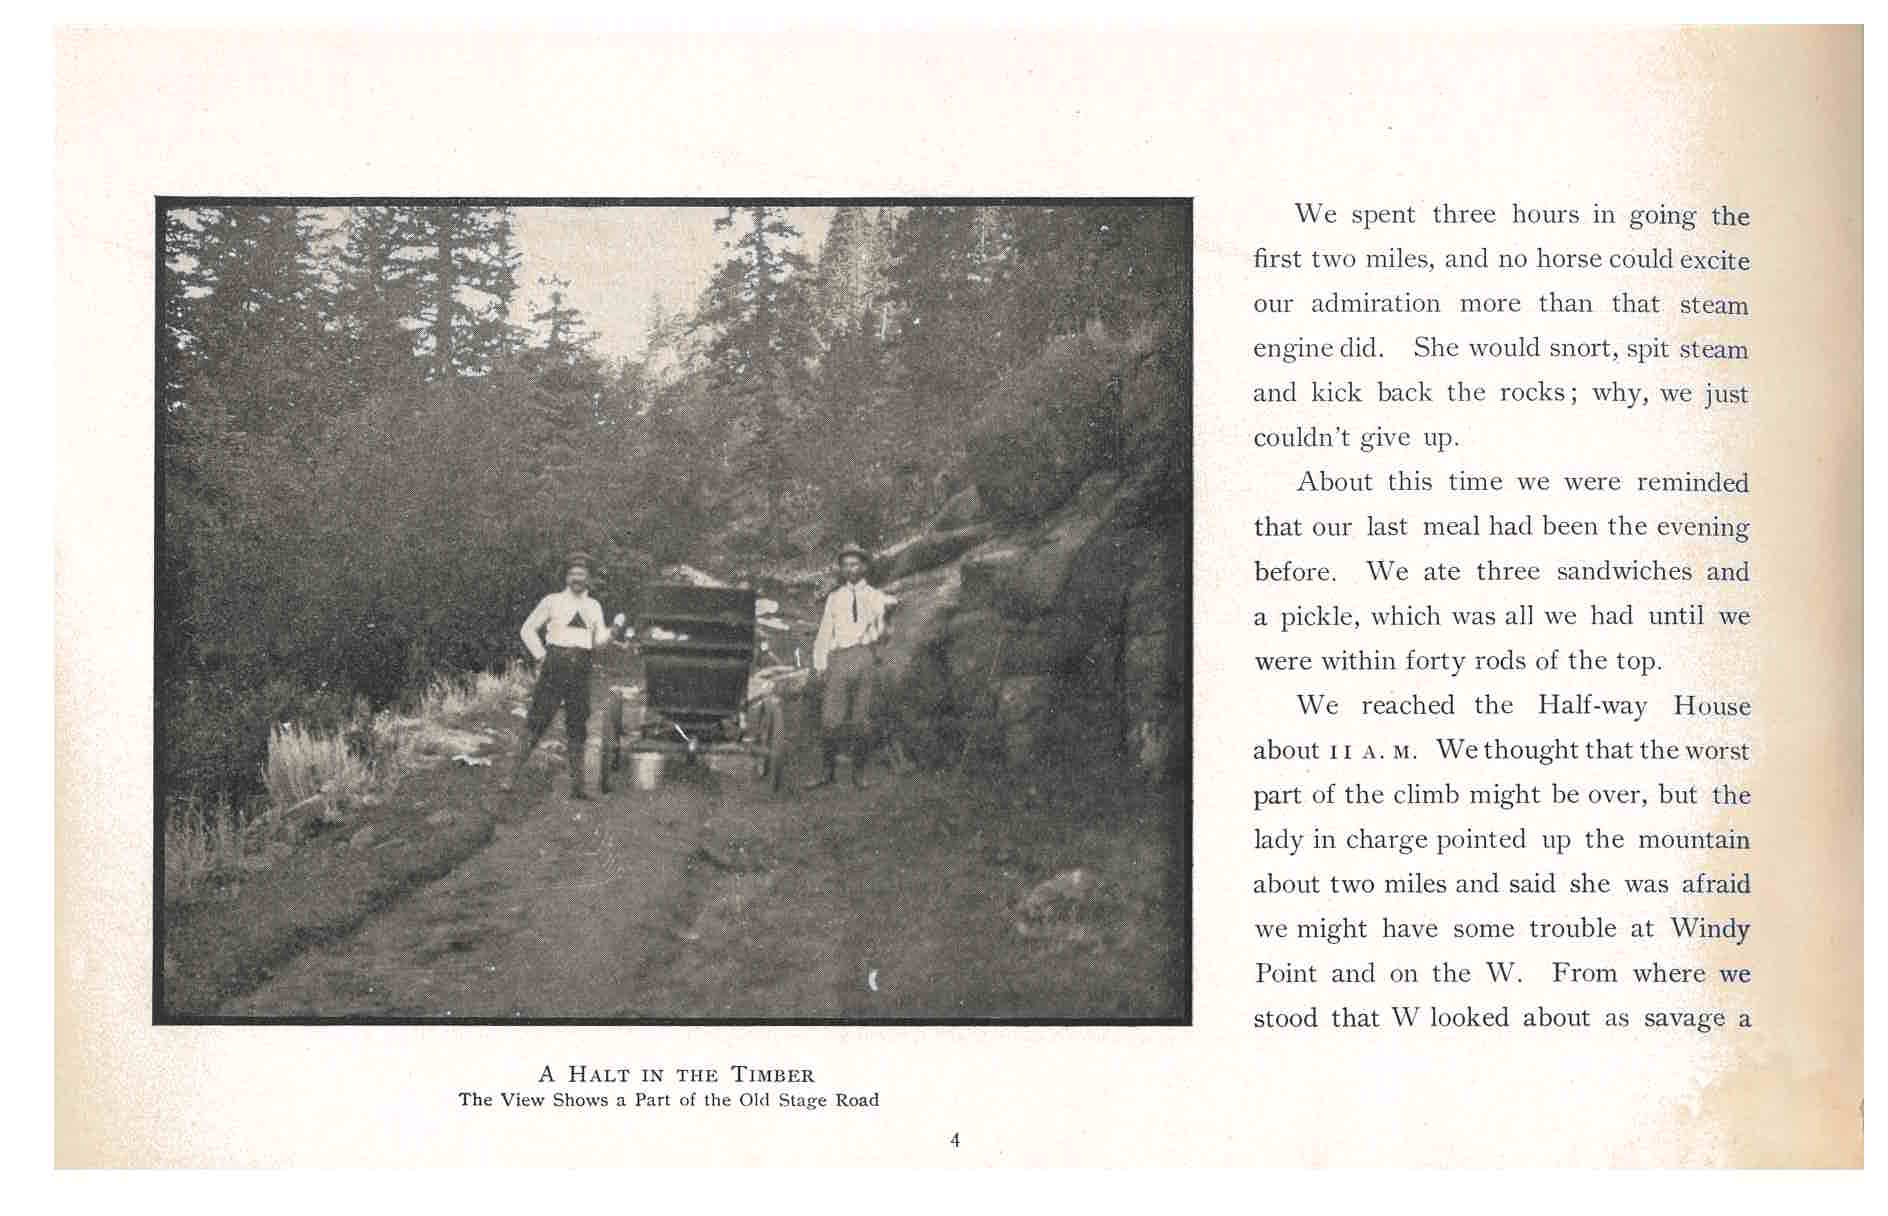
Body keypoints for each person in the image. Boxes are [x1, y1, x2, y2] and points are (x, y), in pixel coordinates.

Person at [499, 550, 611, 800]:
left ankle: (578, 787)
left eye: (582, 574)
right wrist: (540, 656)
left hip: (581, 667)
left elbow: (599, 640)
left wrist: (611, 633)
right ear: (566, 577)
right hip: (554, 665)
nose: (577, 578)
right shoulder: (552, 601)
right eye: (573, 574)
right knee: (537, 719)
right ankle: (510, 777)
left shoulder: (594, 606)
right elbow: (527, 629)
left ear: (589, 578)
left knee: (578, 724)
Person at [806, 542, 892, 790]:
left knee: (861, 719)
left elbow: (883, 630)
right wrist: (820, 662)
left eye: (855, 564)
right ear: (841, 569)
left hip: (864, 656)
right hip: (839, 658)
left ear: (863, 567)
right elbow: (825, 631)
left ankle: (859, 775)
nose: (850, 569)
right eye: (846, 565)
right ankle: (827, 773)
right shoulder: (834, 598)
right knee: (831, 719)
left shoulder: (876, 596)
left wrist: (885, 617)